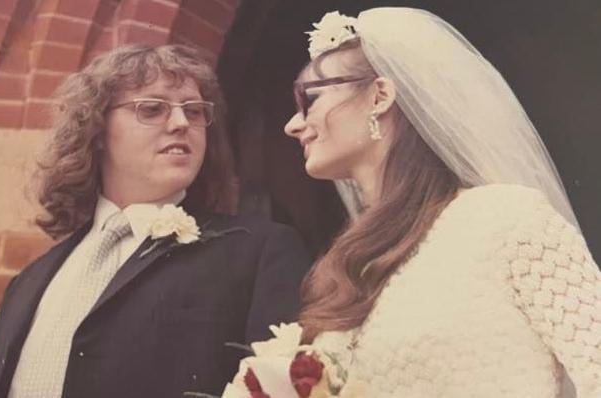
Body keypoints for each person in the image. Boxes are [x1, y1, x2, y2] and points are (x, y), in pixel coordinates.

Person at [227, 7, 600, 398]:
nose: (292, 124)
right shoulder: (352, 262)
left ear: (379, 96)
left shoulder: (507, 219)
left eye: (310, 100)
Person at [0, 44, 311, 398]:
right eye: (152, 109)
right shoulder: (28, 282)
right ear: (97, 128)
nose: (181, 123)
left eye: (194, 112)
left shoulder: (259, 253)